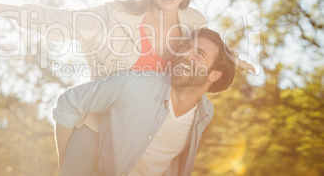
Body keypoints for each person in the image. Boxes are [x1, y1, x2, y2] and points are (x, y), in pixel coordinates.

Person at [0, 0, 254, 173]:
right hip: (98, 123)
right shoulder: (112, 17)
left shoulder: (193, 21)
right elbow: (55, 19)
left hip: (142, 131)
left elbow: (210, 51)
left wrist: (233, 59)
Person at [53, 28, 237, 175]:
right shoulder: (134, 85)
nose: (186, 54)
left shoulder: (205, 113)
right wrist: (67, 167)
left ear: (214, 75)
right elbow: (68, 103)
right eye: (185, 47)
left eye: (199, 54)